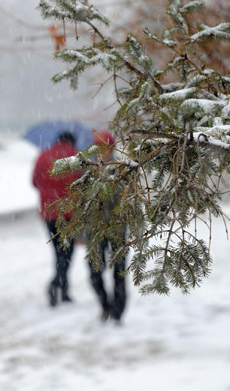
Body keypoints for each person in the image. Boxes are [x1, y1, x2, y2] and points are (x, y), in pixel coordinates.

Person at [32, 132, 81, 307]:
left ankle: (64, 290)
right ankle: (56, 285)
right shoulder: (75, 157)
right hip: (69, 214)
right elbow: (82, 184)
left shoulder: (43, 156)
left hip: (49, 213)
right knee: (67, 253)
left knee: (59, 253)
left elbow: (35, 182)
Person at [87, 130, 127, 322]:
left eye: (107, 147)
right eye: (100, 147)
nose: (103, 151)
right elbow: (81, 203)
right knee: (95, 272)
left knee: (120, 271)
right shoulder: (88, 170)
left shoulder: (123, 169)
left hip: (118, 229)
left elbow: (129, 200)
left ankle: (118, 311)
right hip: (94, 231)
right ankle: (105, 305)